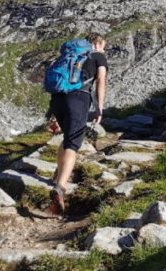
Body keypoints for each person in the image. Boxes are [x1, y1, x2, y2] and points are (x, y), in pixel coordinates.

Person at [47, 33, 107, 214]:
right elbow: (101, 81)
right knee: (73, 143)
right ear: (97, 44)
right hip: (78, 99)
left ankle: (58, 175)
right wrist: (99, 108)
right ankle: (61, 186)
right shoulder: (97, 55)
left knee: (66, 138)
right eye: (103, 45)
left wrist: (53, 116)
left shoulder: (67, 56)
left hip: (58, 100)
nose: (104, 49)